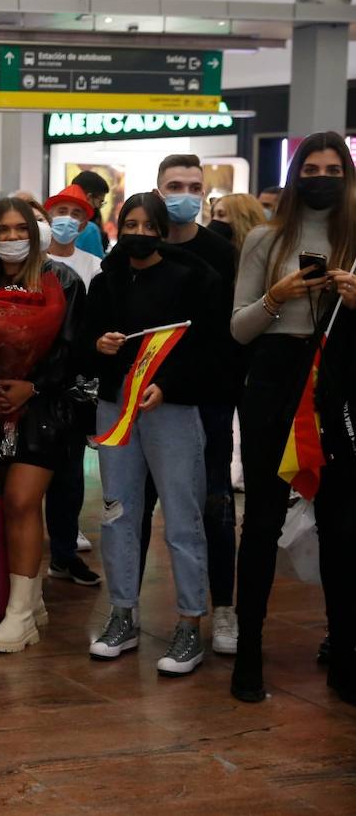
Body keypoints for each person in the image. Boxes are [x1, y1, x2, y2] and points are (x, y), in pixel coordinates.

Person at [230, 131, 356, 703]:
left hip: (341, 381)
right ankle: (249, 652)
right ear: (296, 174)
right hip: (276, 380)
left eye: (334, 168)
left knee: (342, 522)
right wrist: (276, 295)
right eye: (313, 167)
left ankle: (345, 649)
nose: (322, 177)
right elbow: (239, 329)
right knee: (260, 519)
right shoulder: (264, 239)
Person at [81, 193, 222, 674]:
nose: (139, 232)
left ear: (162, 231)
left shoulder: (194, 280)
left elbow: (209, 351)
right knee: (118, 512)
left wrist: (170, 386)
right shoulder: (105, 281)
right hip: (115, 408)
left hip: (172, 409)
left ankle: (189, 625)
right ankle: (123, 614)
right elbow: (84, 341)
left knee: (183, 518)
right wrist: (98, 344)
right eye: (130, 223)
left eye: (148, 224)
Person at [0, 198, 83, 653]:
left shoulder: (62, 281)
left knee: (21, 499)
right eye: (3, 231)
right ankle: (31, 599)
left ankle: (19, 616)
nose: (13, 238)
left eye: (21, 229)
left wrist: (36, 387)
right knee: (14, 504)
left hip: (47, 411)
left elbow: (74, 351)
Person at [143, 153, 241, 656]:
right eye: (174, 184)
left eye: (193, 185)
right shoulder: (143, 247)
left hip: (208, 399)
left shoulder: (222, 252)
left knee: (214, 503)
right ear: (158, 191)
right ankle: (127, 610)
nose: (185, 193)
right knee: (141, 506)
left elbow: (226, 335)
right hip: (150, 400)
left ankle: (222, 605)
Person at [40, 184, 103, 587]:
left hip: (74, 385)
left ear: (85, 221)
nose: (67, 219)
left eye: (74, 213)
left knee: (69, 474)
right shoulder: (35, 263)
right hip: (34, 381)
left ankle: (63, 551)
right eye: (59, 210)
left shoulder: (95, 266)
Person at [69, 170, 110, 257]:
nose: (99, 206)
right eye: (100, 201)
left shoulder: (51, 221)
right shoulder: (89, 229)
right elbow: (98, 265)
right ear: (89, 197)